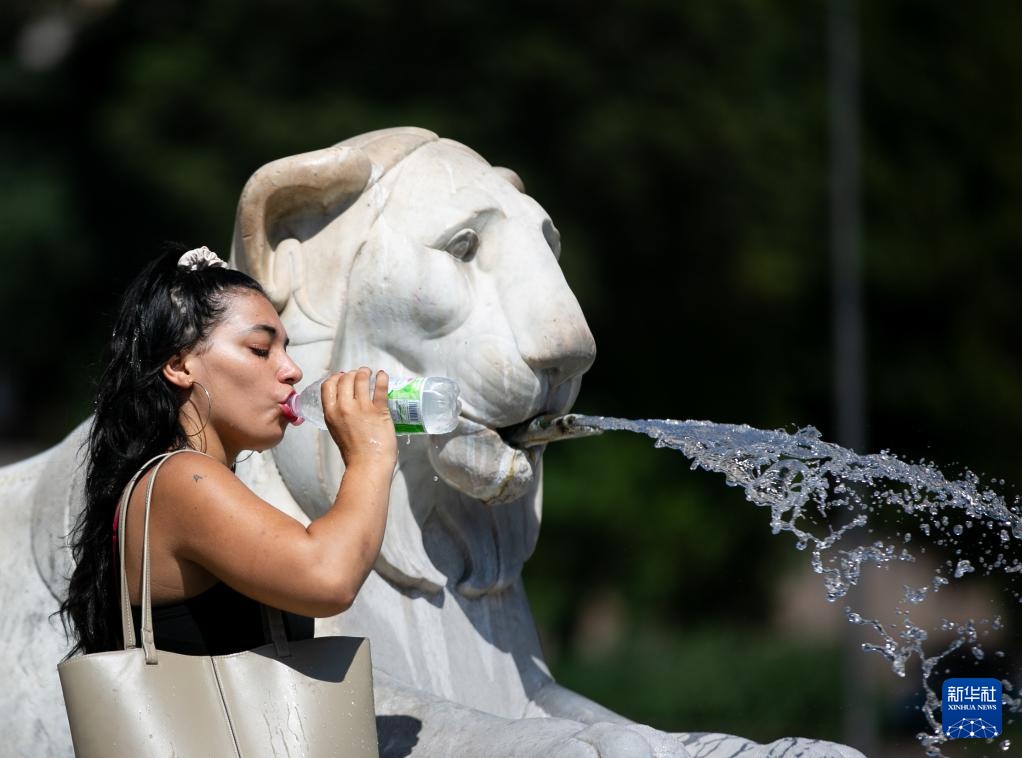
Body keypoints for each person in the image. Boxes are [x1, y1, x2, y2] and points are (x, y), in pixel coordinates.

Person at [59, 244, 397, 657]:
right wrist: (371, 455)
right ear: (180, 366)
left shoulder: (175, 477)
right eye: (260, 349)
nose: (292, 370)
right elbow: (329, 579)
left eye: (286, 349)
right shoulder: (181, 479)